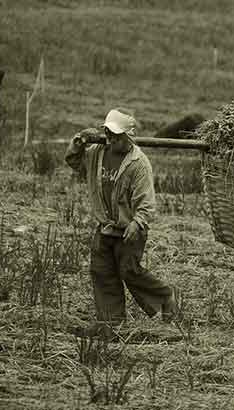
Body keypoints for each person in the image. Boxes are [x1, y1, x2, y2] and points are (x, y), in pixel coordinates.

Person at [65, 108, 177, 335]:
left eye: (117, 135)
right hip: (105, 226)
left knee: (129, 271)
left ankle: (165, 296)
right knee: (102, 271)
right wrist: (77, 143)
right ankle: (111, 322)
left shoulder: (138, 164)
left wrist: (137, 223)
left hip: (130, 229)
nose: (112, 139)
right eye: (108, 133)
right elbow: (75, 162)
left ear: (129, 135)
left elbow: (146, 202)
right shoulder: (97, 152)